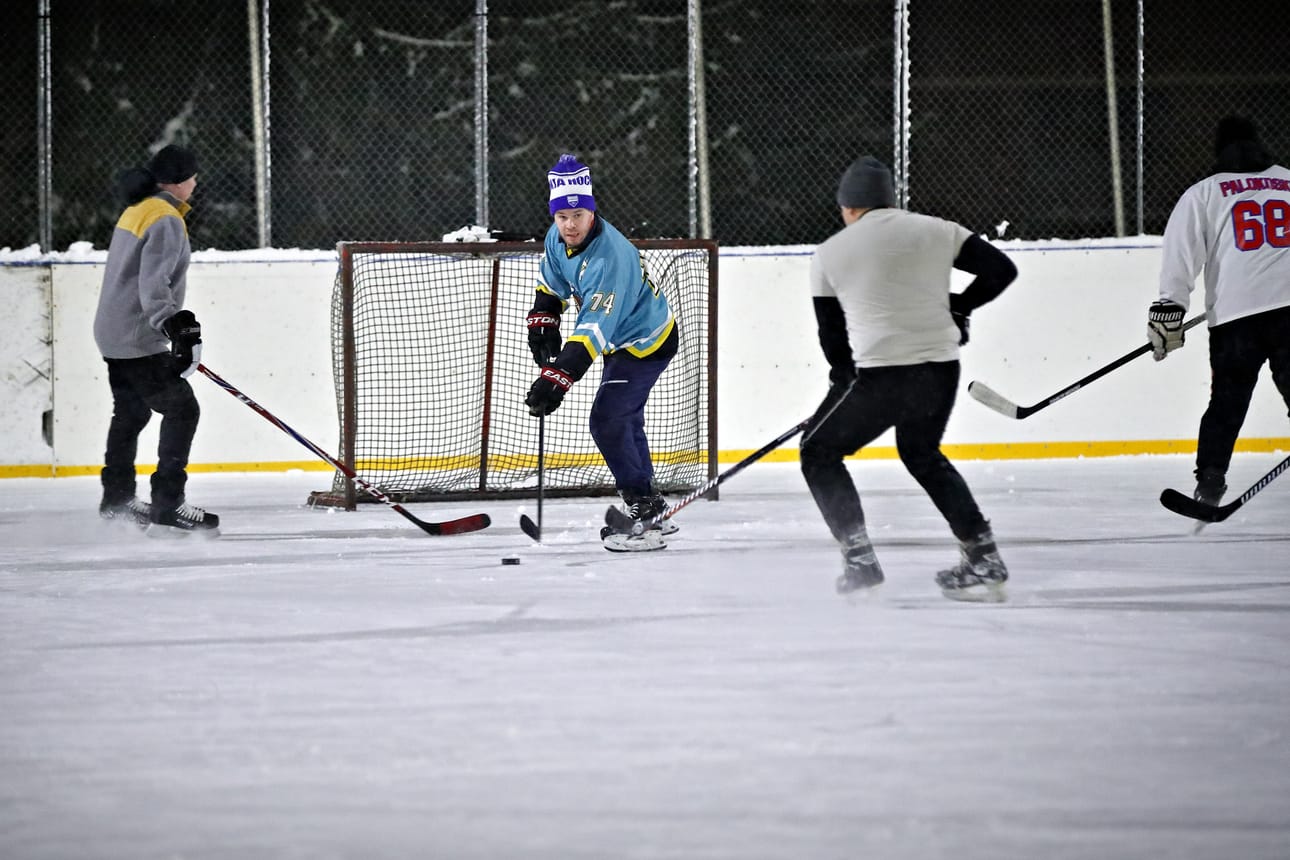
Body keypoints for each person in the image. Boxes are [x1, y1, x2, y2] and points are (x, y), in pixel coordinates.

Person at [800, 155, 1017, 601]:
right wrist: (960, 306)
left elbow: (832, 337)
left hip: (881, 374)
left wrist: (841, 385)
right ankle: (982, 554)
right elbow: (1001, 270)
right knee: (921, 452)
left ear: (850, 207)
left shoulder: (829, 252)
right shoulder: (938, 229)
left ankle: (860, 560)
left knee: (818, 450)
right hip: (940, 369)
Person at [523, 153, 678, 552]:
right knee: (623, 419)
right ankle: (653, 505)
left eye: (578, 214)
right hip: (619, 342)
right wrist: (544, 318)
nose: (570, 224)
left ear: (592, 211)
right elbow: (551, 281)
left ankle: (645, 515)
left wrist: (557, 378)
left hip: (645, 343)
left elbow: (593, 328)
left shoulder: (611, 257)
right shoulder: (556, 238)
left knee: (608, 420)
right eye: (562, 216)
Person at [1148, 115, 1290, 508]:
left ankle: (1210, 481)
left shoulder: (1205, 192)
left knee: (1226, 402)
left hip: (1236, 319)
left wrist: (1169, 310)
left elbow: (1181, 256)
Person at [93, 144, 219, 535]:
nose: (196, 184)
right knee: (182, 409)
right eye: (193, 177)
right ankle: (168, 505)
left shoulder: (138, 209)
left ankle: (117, 498)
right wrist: (175, 325)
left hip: (112, 333)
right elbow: (153, 285)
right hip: (136, 338)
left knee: (131, 413)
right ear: (180, 181)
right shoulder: (165, 219)